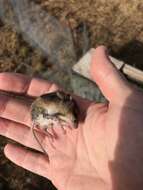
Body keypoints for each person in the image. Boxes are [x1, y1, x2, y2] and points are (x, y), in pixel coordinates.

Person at [0, 46, 143, 190]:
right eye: (73, 121)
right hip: (42, 111)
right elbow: (56, 116)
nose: (74, 124)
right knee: (51, 118)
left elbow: (61, 115)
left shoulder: (66, 109)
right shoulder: (57, 110)